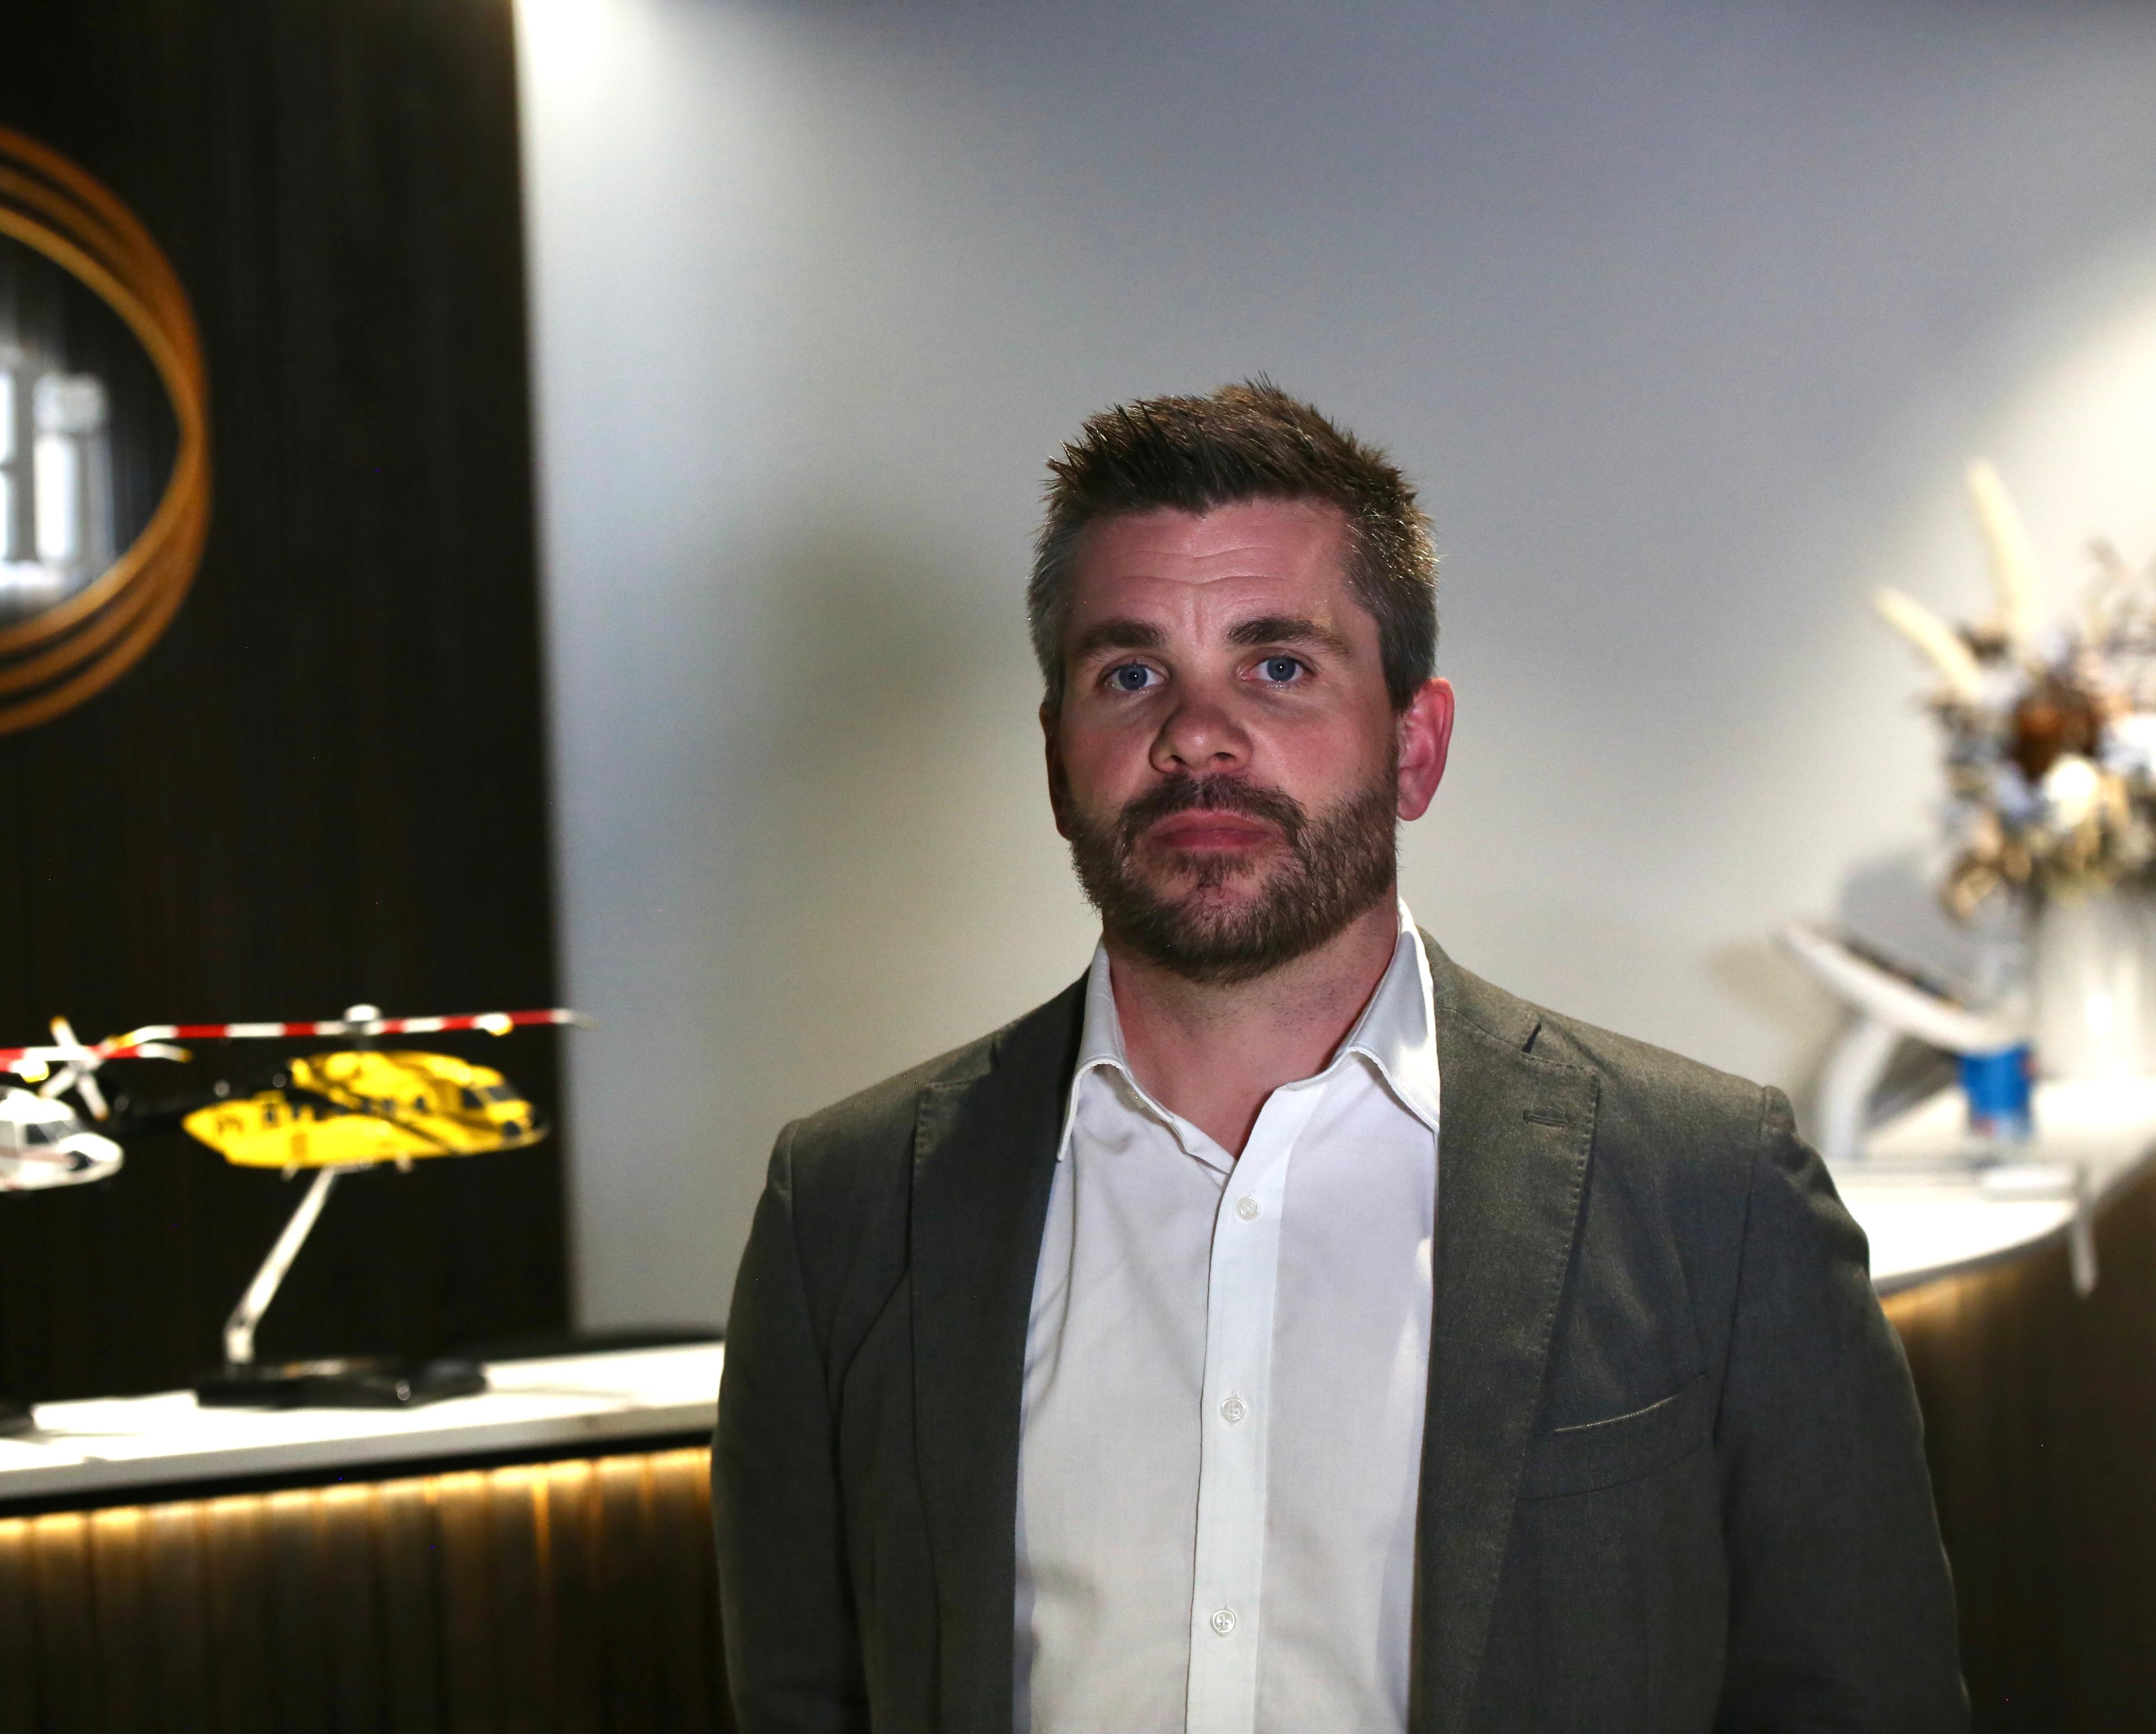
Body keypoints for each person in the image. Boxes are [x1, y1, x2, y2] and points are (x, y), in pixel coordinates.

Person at [708, 381, 1967, 1733]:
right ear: (1057, 759)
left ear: (1414, 746)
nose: (1196, 735)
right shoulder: (845, 1210)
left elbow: (1860, 1702)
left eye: (1280, 666)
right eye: (1130, 674)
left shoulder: (1712, 1195)